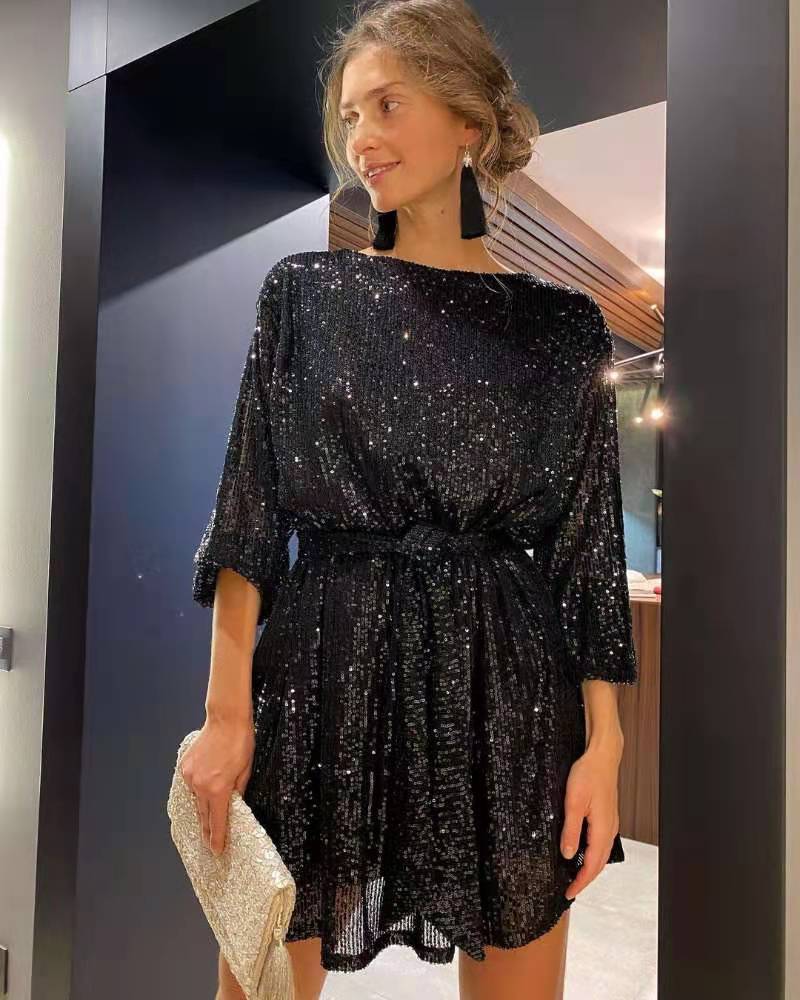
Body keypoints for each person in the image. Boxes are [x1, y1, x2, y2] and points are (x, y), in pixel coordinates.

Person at [180, 1, 638, 998]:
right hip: (324, 672)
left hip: (505, 685)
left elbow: (586, 555)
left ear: (467, 120)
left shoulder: (561, 327)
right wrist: (224, 716)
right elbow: (250, 512)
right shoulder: (305, 294)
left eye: (387, 105)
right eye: (350, 116)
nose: (362, 138)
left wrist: (604, 747)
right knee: (257, 976)